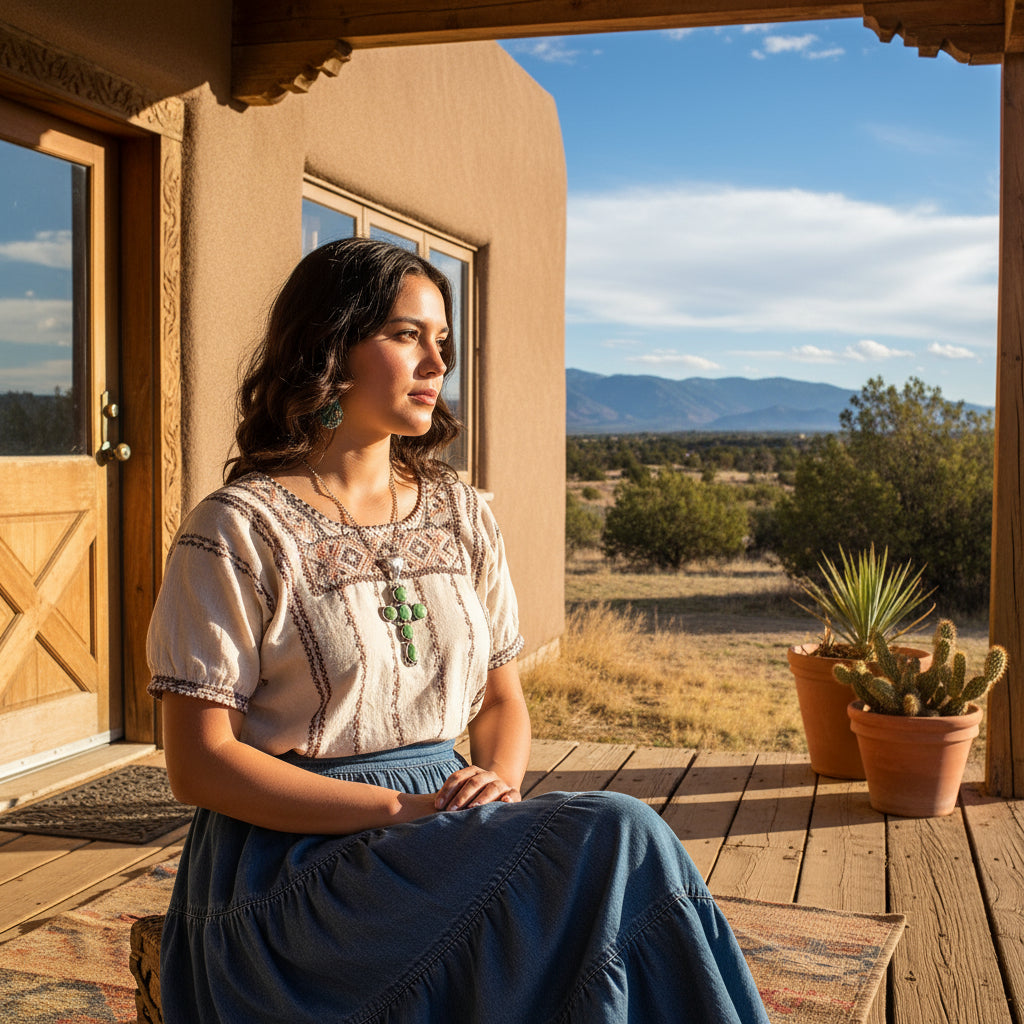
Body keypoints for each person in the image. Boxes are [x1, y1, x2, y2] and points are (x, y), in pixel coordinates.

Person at [147, 237, 770, 1024]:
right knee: (615, 832)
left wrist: (499, 792)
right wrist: (401, 813)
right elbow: (200, 765)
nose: (437, 363)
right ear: (331, 349)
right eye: (408, 335)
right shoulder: (239, 530)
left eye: (442, 340)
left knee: (605, 869)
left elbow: (500, 701)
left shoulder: (461, 512)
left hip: (448, 823)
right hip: (297, 863)